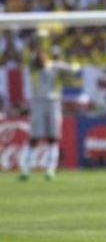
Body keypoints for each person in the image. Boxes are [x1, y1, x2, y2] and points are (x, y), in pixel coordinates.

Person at [18, 49, 79, 181]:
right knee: (34, 137)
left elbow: (74, 69)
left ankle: (50, 169)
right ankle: (24, 169)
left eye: (41, 54)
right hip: (37, 102)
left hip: (53, 103)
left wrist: (65, 62)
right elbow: (26, 63)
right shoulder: (33, 68)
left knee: (53, 138)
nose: (39, 57)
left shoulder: (55, 67)